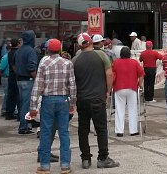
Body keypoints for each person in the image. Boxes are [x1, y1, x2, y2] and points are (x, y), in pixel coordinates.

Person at [73, 33, 118, 169]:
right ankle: (103, 157)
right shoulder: (102, 55)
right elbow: (109, 74)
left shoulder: (75, 59)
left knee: (83, 129)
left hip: (82, 99)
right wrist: (108, 91)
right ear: (91, 42)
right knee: (101, 129)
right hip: (98, 97)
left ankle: (85, 159)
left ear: (80, 45)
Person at [30, 39, 75, 174]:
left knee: (45, 132)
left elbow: (38, 85)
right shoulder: (68, 63)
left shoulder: (44, 63)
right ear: (60, 50)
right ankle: (65, 166)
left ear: (48, 49)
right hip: (63, 101)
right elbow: (72, 86)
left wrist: (33, 106)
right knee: (64, 133)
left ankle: (44, 166)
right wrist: (72, 103)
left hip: (48, 101)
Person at [112, 46, 144, 137]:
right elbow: (141, 74)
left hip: (119, 88)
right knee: (132, 108)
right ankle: (133, 130)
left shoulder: (116, 62)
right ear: (129, 54)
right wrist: (140, 84)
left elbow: (112, 75)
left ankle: (119, 131)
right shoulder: (134, 62)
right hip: (132, 88)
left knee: (119, 109)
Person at [14, 31, 39, 135]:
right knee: (26, 104)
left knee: (21, 103)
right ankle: (23, 127)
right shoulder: (31, 51)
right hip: (28, 80)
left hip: (19, 79)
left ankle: (24, 124)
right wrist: (37, 78)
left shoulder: (19, 50)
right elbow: (31, 67)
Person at [4, 38, 20, 120]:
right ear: (18, 43)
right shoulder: (18, 53)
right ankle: (18, 113)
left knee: (10, 95)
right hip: (16, 76)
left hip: (11, 76)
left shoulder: (10, 53)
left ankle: (9, 112)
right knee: (18, 95)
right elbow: (15, 66)